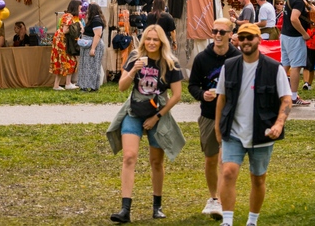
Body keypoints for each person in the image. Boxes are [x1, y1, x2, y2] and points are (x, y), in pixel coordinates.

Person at [106, 24, 186, 223]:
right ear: (143, 41)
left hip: (157, 116)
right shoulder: (135, 57)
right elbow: (121, 87)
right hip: (134, 113)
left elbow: (177, 96)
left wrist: (157, 117)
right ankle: (125, 209)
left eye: (155, 39)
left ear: (161, 42)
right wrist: (133, 69)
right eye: (148, 39)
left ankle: (157, 206)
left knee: (156, 162)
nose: (151, 43)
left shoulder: (170, 63)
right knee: (129, 157)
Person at [214, 23, 292, 226]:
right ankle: (228, 221)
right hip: (233, 131)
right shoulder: (229, 66)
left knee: (258, 178)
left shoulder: (274, 68)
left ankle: (252, 221)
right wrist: (217, 127)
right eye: (243, 38)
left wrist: (278, 124)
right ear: (237, 40)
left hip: (262, 132)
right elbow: (221, 99)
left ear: (259, 40)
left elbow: (286, 99)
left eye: (251, 37)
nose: (246, 42)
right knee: (228, 171)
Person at [188, 18, 240, 220]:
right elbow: (192, 85)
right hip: (208, 115)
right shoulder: (202, 58)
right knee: (210, 159)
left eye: (222, 32)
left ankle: (221, 202)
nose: (217, 35)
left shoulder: (237, 57)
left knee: (223, 160)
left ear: (230, 34)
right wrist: (203, 95)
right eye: (214, 31)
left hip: (231, 116)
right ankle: (213, 198)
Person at [279, 0, 313, 106]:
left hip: (285, 34)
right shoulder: (298, 1)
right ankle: (293, 96)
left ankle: (278, 92)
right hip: (295, 36)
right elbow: (294, 18)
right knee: (296, 66)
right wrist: (304, 33)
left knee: (285, 65)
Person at [50, 0, 82, 90]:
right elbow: (65, 30)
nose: (80, 10)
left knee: (63, 62)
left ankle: (61, 84)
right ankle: (65, 84)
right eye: (79, 8)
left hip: (61, 40)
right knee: (68, 61)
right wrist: (77, 26)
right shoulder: (68, 16)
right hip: (62, 41)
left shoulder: (68, 16)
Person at [77, 3, 106, 91]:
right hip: (89, 43)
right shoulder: (94, 19)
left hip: (93, 44)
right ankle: (86, 85)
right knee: (87, 65)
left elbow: (97, 35)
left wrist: (93, 48)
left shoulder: (96, 20)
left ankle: (90, 86)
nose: (87, 11)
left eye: (88, 9)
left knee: (91, 66)